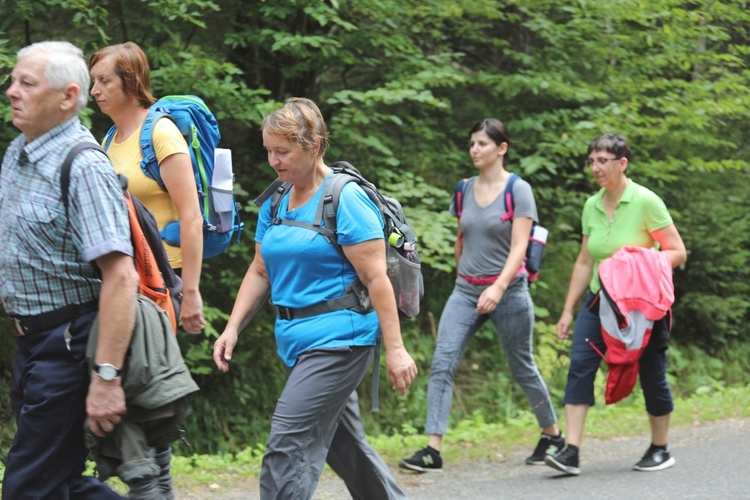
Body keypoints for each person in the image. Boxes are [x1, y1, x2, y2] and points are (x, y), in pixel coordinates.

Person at [212, 97, 418, 499]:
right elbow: (259, 270)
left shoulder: (345, 198)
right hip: (296, 340)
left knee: (287, 443)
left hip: (342, 338)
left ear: (315, 145)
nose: (274, 160)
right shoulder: (276, 200)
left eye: (283, 151)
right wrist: (232, 328)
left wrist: (396, 349)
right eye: (269, 150)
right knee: (346, 447)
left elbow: (377, 278)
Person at [0, 41, 138, 498]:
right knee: (56, 486)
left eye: (27, 83)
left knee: (27, 487)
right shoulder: (17, 154)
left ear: (66, 96)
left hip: (69, 347)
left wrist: (105, 378)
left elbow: (121, 277)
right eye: (13, 80)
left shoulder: (83, 167)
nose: (11, 91)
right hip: (31, 346)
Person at [400, 118, 563, 472]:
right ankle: (432, 449)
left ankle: (552, 434)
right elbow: (463, 236)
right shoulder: (463, 189)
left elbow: (520, 246)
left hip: (509, 290)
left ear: (501, 148)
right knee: (443, 362)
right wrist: (464, 275)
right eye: (472, 143)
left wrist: (499, 286)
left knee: (522, 367)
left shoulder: (518, 190)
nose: (474, 149)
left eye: (482, 144)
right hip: (466, 290)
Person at [544, 133, 687, 476]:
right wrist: (567, 310)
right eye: (591, 161)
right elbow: (583, 261)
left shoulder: (646, 201)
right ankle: (571, 451)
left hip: (641, 305)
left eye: (602, 161)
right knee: (580, 366)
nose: (595, 168)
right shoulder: (591, 205)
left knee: (652, 375)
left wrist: (637, 263)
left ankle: (659, 446)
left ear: (622, 163)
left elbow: (677, 251)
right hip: (598, 300)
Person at [89, 41, 205, 334]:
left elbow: (192, 216)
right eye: (94, 81)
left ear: (131, 83)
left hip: (164, 278)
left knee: (144, 370)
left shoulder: (161, 133)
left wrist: (190, 293)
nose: (94, 90)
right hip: (126, 275)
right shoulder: (109, 139)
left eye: (104, 81)